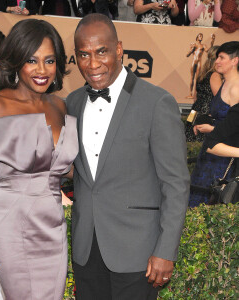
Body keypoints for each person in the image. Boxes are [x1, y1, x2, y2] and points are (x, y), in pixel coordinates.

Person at [66, 13, 190, 300]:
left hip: (138, 253)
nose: (93, 64)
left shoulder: (157, 102)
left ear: (119, 49)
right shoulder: (72, 102)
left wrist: (165, 250)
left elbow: (175, 183)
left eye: (102, 52)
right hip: (87, 249)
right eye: (84, 55)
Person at [0, 19, 78, 299]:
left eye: (49, 61)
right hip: (10, 227)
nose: (42, 70)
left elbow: (73, 170)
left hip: (52, 230)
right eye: (31, 60)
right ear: (16, 61)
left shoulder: (61, 106)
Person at [189, 41, 239, 207]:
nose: (217, 61)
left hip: (223, 156)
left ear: (235, 60)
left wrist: (212, 128)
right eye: (217, 57)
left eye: (222, 57)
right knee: (198, 197)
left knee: (212, 200)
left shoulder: (236, 89)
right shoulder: (224, 82)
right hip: (210, 154)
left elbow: (234, 128)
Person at [185, 46, 222, 142]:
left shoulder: (202, 74)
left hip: (193, 111)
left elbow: (195, 97)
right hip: (205, 114)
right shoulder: (215, 75)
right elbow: (219, 99)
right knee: (201, 144)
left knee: (190, 139)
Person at [186, 33, 215, 99]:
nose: (201, 37)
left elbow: (209, 51)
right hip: (194, 62)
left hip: (199, 63)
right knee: (192, 78)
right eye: (200, 36)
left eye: (202, 36)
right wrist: (191, 50)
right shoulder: (193, 45)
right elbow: (187, 55)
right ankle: (190, 93)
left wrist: (212, 41)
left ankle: (195, 94)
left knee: (197, 79)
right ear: (197, 37)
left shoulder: (203, 46)